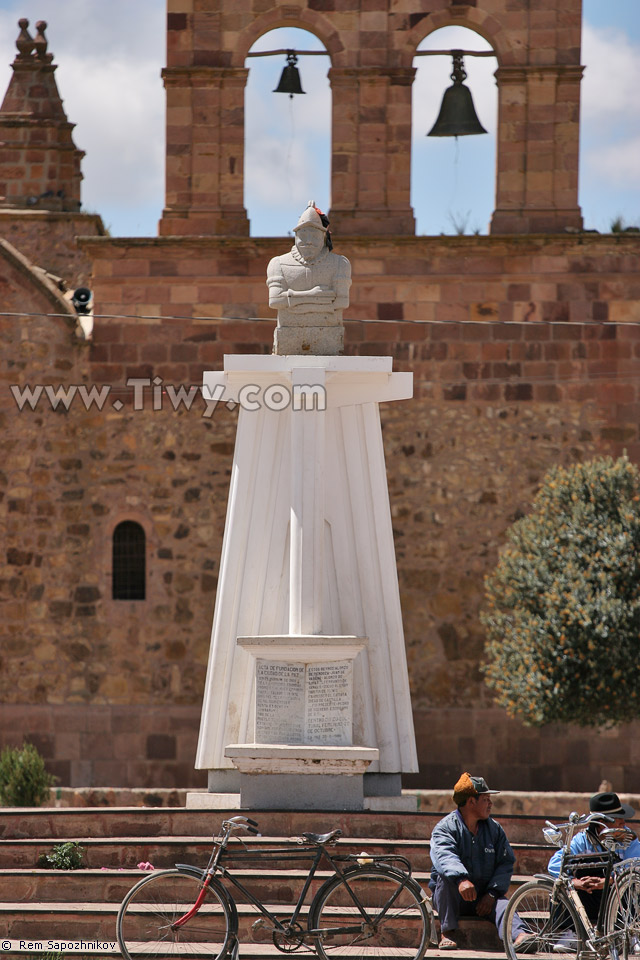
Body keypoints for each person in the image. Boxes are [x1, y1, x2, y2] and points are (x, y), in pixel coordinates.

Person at [429, 772, 529, 950]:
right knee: (444, 880)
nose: (490, 803)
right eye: (486, 799)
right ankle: (447, 933)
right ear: (471, 802)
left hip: (483, 897)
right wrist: (461, 879)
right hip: (453, 897)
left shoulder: (494, 829)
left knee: (503, 905)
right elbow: (445, 855)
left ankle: (520, 935)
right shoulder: (445, 828)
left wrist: (491, 894)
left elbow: (505, 863)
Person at [266, 201, 351, 355]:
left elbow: (342, 302)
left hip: (329, 336)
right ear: (296, 236)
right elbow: (275, 301)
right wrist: (317, 296)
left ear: (324, 237)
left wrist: (293, 302)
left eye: (315, 235)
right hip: (287, 335)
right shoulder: (278, 263)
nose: (309, 240)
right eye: (304, 234)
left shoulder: (340, 263)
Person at [547, 791, 640, 923]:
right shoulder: (582, 841)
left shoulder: (627, 839)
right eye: (617, 819)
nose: (623, 822)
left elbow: (636, 865)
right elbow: (555, 864)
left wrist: (610, 881)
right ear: (602, 822)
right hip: (588, 897)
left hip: (617, 898)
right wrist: (576, 883)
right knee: (564, 883)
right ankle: (568, 931)